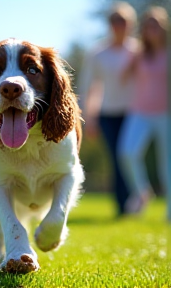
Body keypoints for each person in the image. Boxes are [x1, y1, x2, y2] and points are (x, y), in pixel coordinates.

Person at [79, 2, 138, 217]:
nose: (119, 26)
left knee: (130, 156)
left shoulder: (138, 50)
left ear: (131, 24)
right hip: (107, 113)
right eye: (115, 21)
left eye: (123, 22)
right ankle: (123, 206)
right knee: (117, 158)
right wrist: (90, 118)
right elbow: (89, 87)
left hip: (135, 113)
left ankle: (136, 199)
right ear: (110, 25)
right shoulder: (98, 52)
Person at [118, 7, 169, 217]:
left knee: (167, 163)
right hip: (139, 112)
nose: (151, 29)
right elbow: (122, 77)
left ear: (163, 27)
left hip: (166, 114)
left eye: (155, 25)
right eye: (148, 26)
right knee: (127, 152)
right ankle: (142, 191)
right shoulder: (138, 54)